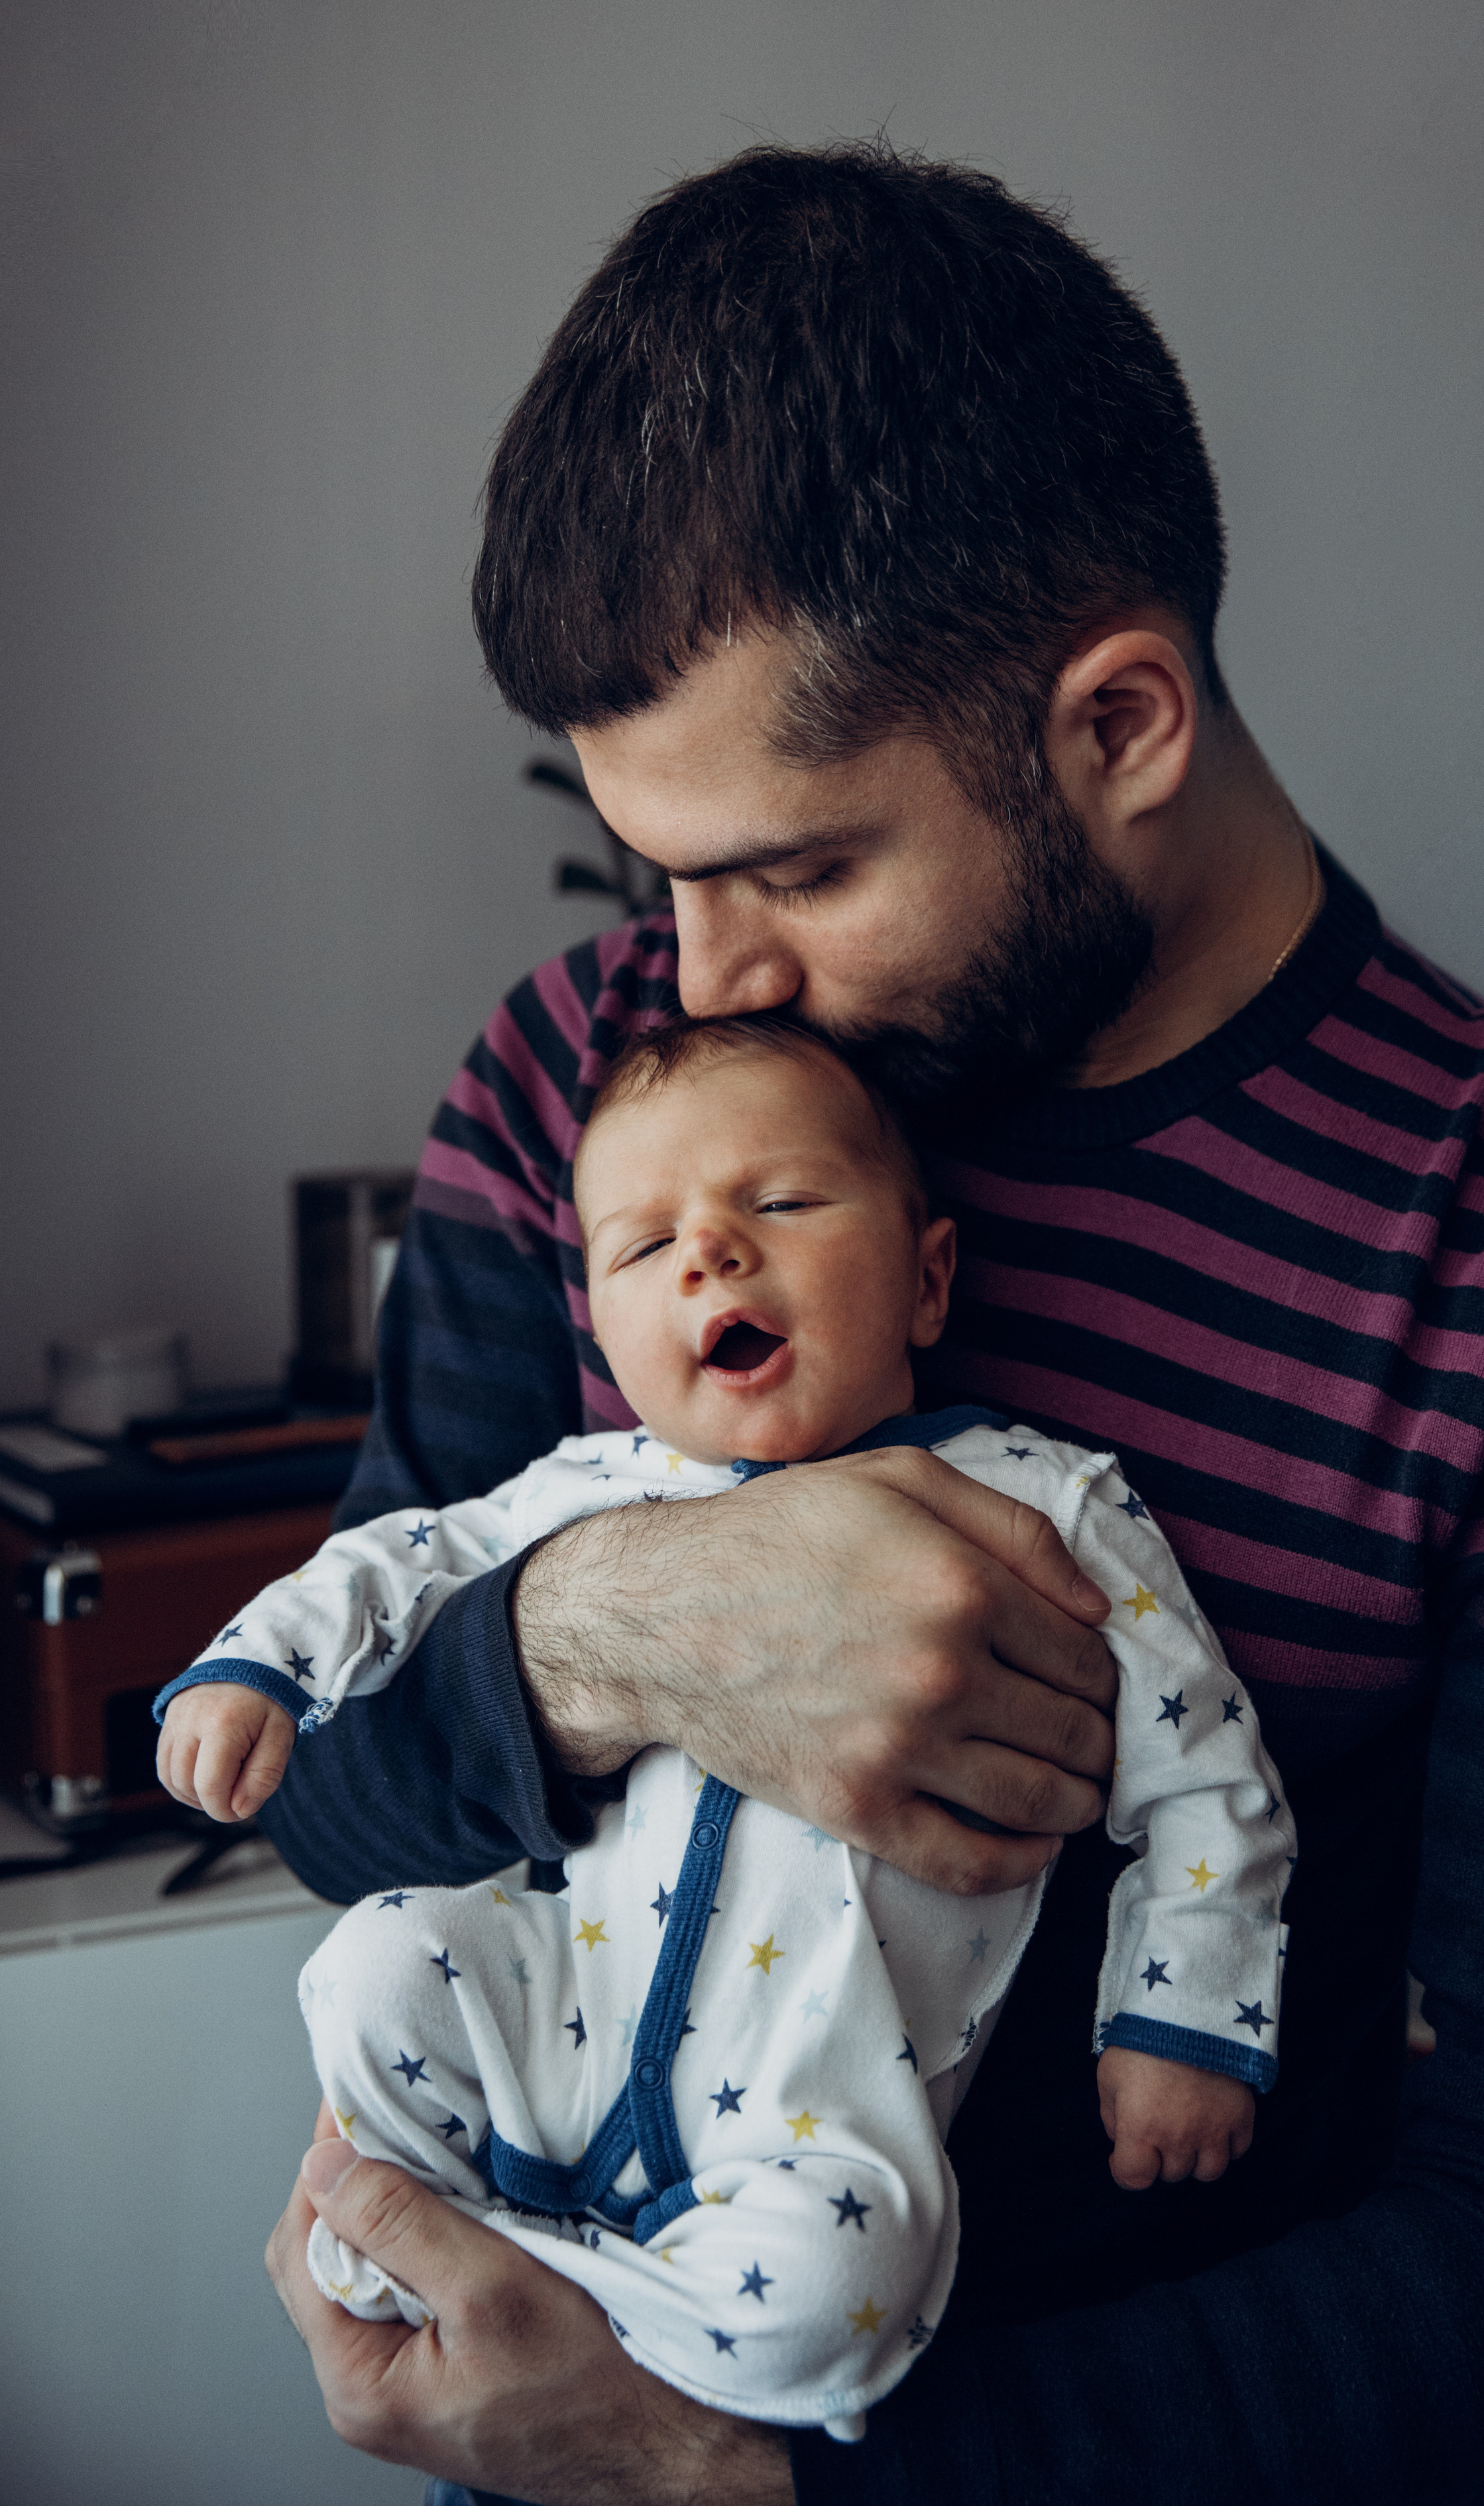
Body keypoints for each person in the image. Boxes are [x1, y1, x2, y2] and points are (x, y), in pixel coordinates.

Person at [260, 144, 1484, 2506]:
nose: (695, 975)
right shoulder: (591, 1095)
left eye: (798, 868)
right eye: (657, 867)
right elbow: (320, 1787)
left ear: (1118, 721)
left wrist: (741, 2478)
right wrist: (614, 1631)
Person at [156, 1018, 1290, 2442]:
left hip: (813, 2111)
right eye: (643, 1249)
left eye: (779, 1204)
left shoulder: (1049, 1509)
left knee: (838, 2294)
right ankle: (478, 2245)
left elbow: (1204, 1776)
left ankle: (537, 2301)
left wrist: (1182, 2014)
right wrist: (256, 1664)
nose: (708, 1256)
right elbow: (396, 1561)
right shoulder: (583, 1489)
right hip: (555, 2037)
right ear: (605, 1325)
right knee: (375, 1962)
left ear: (928, 1275)